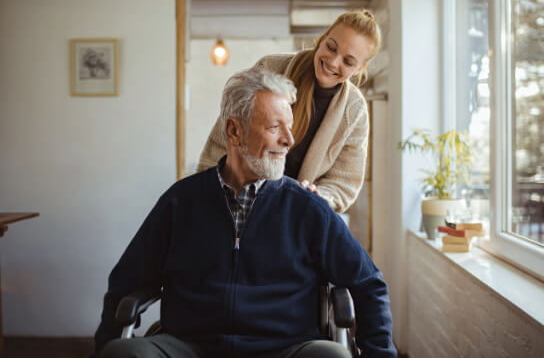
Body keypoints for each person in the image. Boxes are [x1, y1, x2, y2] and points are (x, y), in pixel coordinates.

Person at [92, 68, 395, 358]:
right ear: (234, 131)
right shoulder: (180, 202)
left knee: (330, 356)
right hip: (189, 346)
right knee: (122, 353)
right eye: (275, 127)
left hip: (286, 348)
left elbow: (368, 284)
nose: (289, 140)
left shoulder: (307, 208)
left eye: (290, 127)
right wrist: (103, 347)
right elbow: (126, 281)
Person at [197, 9, 381, 214]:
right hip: (238, 202)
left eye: (348, 61)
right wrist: (207, 192)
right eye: (331, 47)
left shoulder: (355, 111)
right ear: (322, 38)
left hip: (294, 216)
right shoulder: (269, 68)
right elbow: (225, 139)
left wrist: (319, 196)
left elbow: (344, 182)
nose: (333, 61)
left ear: (359, 69)